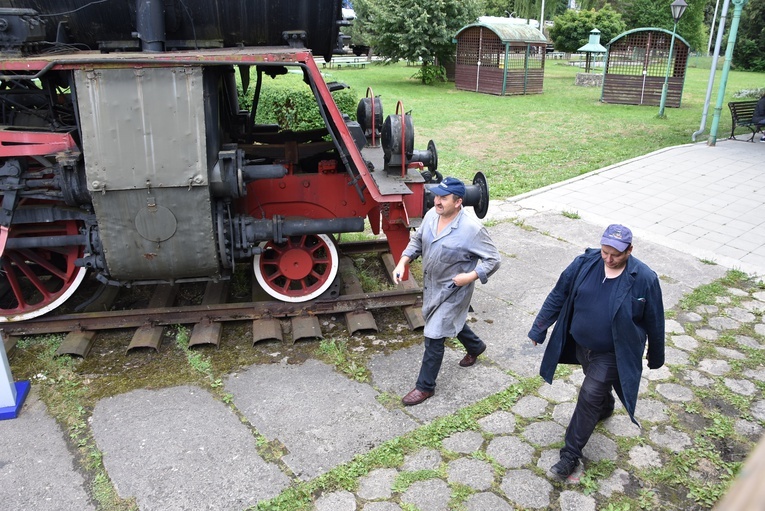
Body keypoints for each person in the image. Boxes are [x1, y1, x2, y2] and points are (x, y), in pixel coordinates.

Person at [528, 224, 664, 478]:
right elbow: (559, 293)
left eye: (616, 255)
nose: (609, 259)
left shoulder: (644, 278)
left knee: (590, 394)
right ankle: (606, 405)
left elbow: (655, 319)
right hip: (581, 346)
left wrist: (656, 355)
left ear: (630, 250)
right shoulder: (584, 263)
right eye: (605, 252)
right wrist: (539, 328)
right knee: (597, 388)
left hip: (613, 352)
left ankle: (570, 455)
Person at [393, 177, 500, 406]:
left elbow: (493, 260)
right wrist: (403, 262)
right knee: (450, 322)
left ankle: (425, 387)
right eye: (436, 196)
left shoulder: (472, 230)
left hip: (454, 290)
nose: (437, 201)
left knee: (434, 335)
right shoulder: (433, 215)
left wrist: (470, 276)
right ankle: (476, 346)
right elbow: (418, 240)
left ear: (459, 201)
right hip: (432, 286)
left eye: (444, 198)